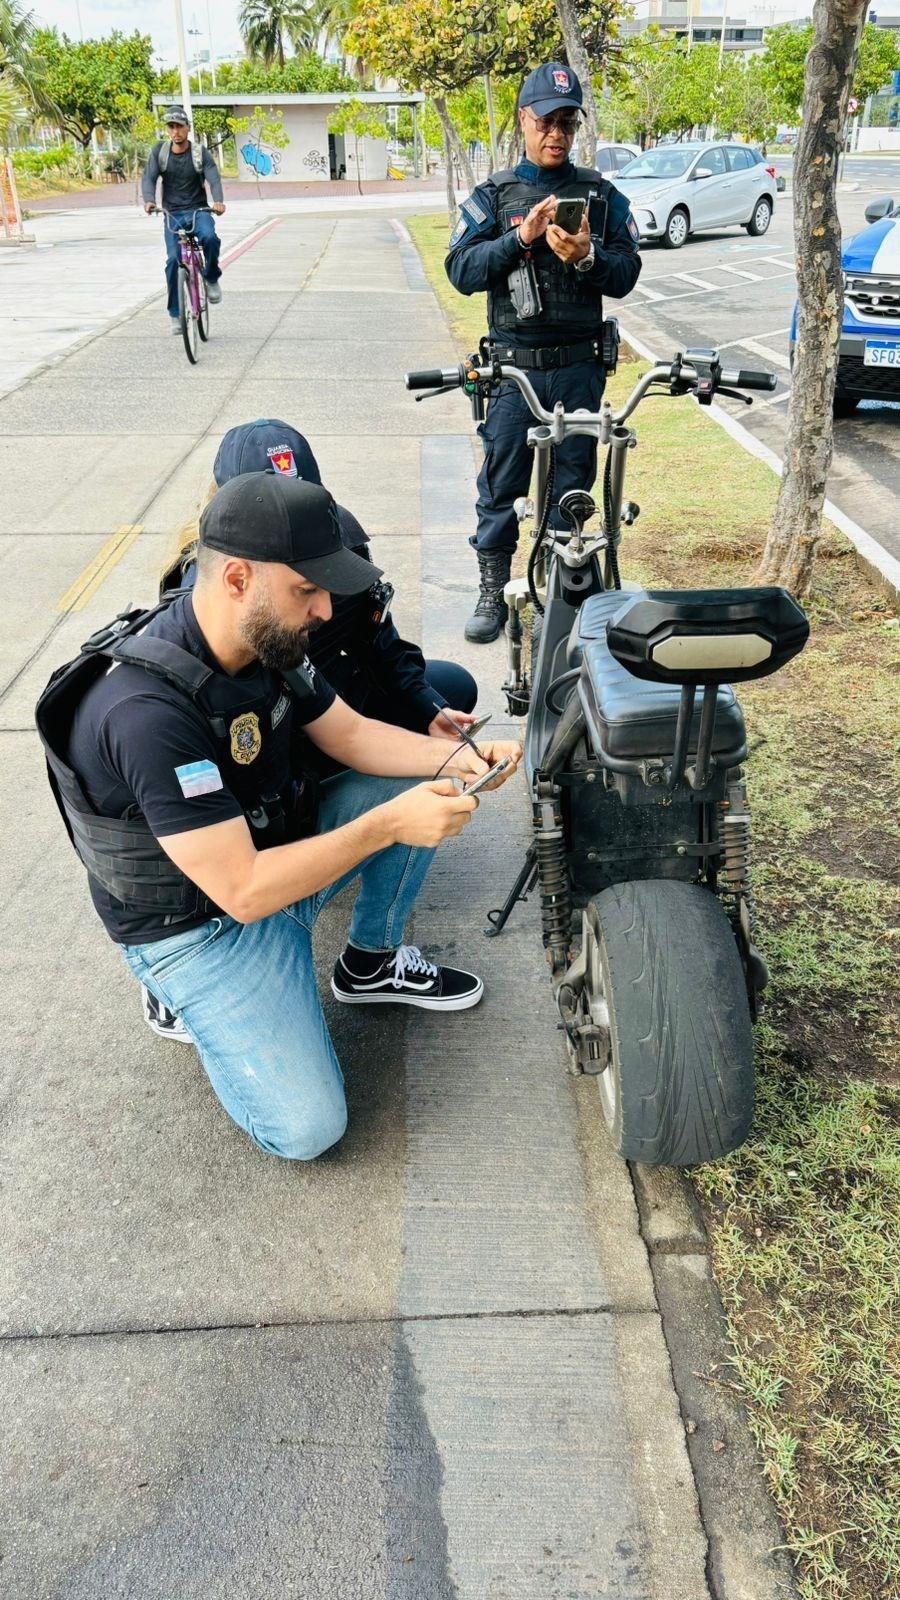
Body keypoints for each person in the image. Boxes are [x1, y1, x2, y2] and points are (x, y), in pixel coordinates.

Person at [38, 474, 521, 1162]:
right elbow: (242, 891)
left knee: (424, 783)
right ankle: (184, 997)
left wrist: (462, 760)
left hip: (269, 857)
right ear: (238, 577)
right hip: (199, 928)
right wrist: (387, 827)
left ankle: (367, 964)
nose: (325, 608)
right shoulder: (144, 713)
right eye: (307, 589)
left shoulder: (264, 638)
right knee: (307, 1131)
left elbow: (350, 736)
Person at [445, 63, 642, 643]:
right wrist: (520, 240)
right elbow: (460, 269)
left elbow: (627, 272)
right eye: (546, 121)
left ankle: (565, 593)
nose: (556, 133)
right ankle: (492, 589)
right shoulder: (494, 195)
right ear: (524, 121)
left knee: (574, 490)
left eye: (567, 122)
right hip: (512, 373)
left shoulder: (602, 198)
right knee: (501, 485)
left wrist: (586, 257)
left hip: (579, 370)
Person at [162, 419, 479, 741]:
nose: (325, 610)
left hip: (321, 689)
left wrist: (426, 705)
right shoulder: (205, 592)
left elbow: (375, 639)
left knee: (451, 687)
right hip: (263, 720)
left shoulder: (335, 535)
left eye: (298, 500)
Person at [142, 105, 226, 334]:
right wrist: (149, 200)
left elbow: (213, 178)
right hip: (173, 215)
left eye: (179, 126)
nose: (175, 131)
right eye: (171, 127)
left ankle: (210, 277)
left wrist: (217, 201)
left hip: (198, 211)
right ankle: (176, 315)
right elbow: (148, 179)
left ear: (188, 128)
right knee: (173, 262)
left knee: (209, 238)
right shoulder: (160, 152)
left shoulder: (200, 153)